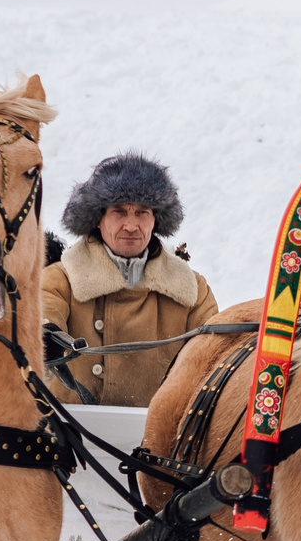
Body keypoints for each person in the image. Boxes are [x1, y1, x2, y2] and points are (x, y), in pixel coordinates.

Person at [42, 153, 221, 406]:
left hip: (159, 429)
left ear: (155, 220)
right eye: (119, 211)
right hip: (73, 426)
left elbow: (216, 354)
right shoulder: (60, 279)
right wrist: (45, 333)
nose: (131, 225)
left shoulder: (192, 290)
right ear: (98, 218)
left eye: (142, 212)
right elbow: (43, 312)